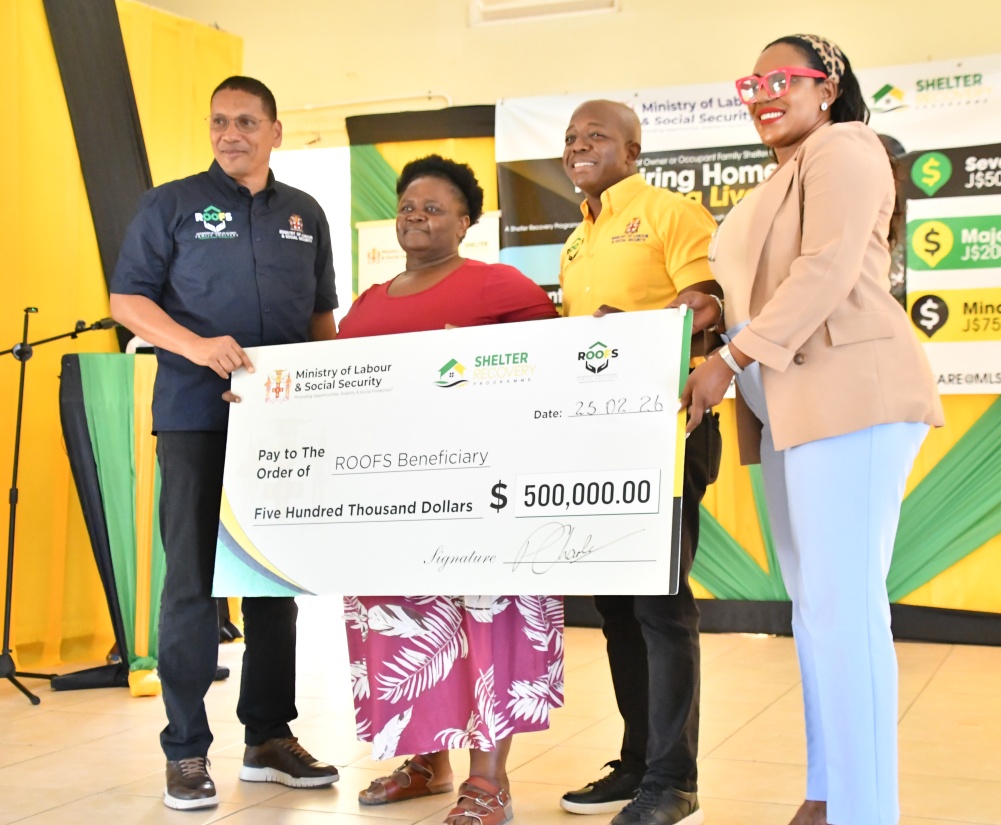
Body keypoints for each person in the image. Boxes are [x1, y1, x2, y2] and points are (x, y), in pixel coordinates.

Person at [679, 36, 944, 825]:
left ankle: (866, 811)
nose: (762, 93)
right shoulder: (783, 174)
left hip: (850, 396)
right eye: (751, 83)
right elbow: (762, 287)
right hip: (793, 406)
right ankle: (828, 794)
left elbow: (825, 270)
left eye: (781, 78)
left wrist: (729, 358)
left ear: (826, 87)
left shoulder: (846, 146)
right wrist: (715, 312)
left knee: (845, 610)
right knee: (816, 611)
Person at [109, 75, 341, 810]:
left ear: (275, 131)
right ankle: (185, 749)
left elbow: (321, 317)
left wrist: (329, 395)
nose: (229, 133)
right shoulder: (171, 204)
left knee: (274, 580)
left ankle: (269, 737)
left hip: (280, 424)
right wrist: (196, 346)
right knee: (191, 584)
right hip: (195, 416)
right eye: (218, 122)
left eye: (245, 121)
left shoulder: (305, 213)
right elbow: (127, 300)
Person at [339, 155, 561, 825]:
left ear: (465, 223)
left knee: (486, 624)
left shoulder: (499, 285)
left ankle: (488, 782)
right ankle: (427, 762)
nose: (416, 216)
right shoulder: (368, 303)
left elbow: (555, 366)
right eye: (407, 206)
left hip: (482, 493)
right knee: (409, 627)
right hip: (390, 497)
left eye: (433, 208)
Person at [557, 100, 721, 825]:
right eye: (571, 138)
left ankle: (673, 780)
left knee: (660, 606)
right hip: (597, 439)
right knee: (618, 610)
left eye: (596, 136)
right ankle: (635, 763)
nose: (579, 146)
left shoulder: (669, 213)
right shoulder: (574, 242)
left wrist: (640, 331)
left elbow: (707, 304)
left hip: (667, 431)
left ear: (632, 151)